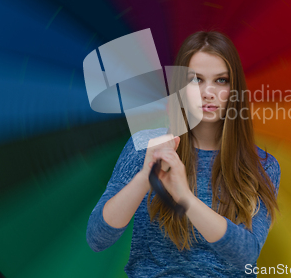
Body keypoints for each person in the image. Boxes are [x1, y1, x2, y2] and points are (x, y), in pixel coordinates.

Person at [86, 30, 281, 277]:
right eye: (196, 79)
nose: (208, 92)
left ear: (235, 89)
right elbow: (97, 238)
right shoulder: (147, 145)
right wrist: (145, 177)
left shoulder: (262, 165)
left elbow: (246, 255)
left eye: (221, 80)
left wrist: (184, 197)